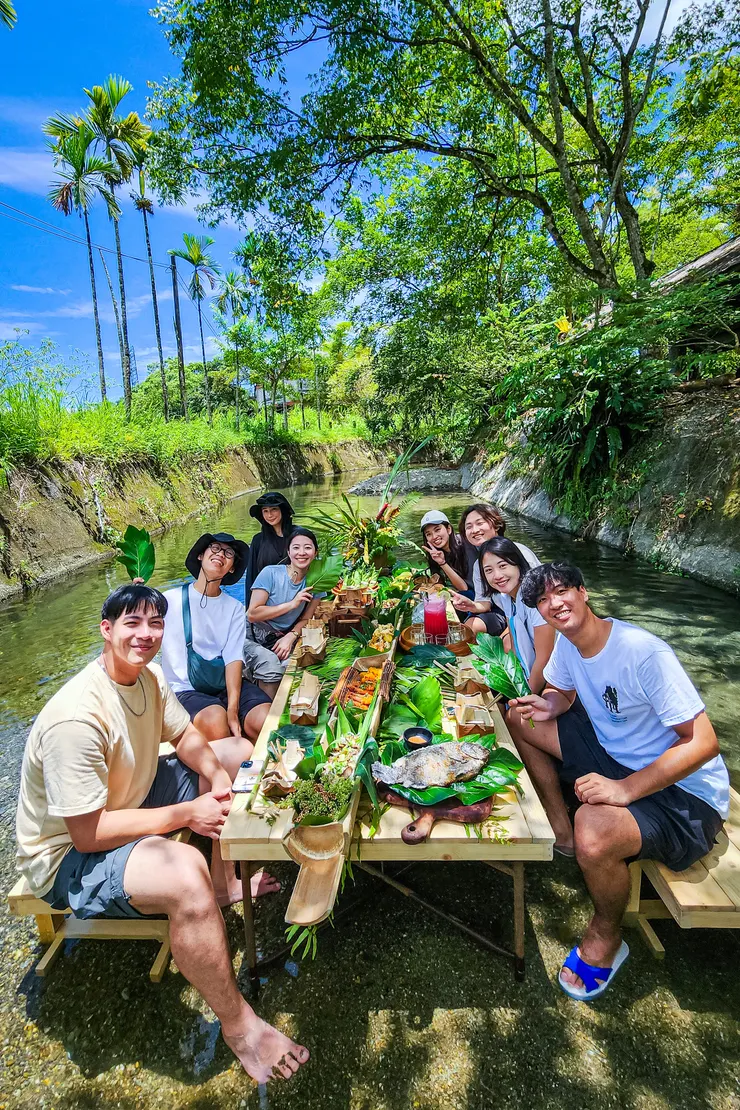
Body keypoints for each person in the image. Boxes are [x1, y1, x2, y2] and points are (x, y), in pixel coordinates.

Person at [15, 583, 309, 1082]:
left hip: (131, 796)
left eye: (155, 623)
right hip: (67, 853)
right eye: (132, 623)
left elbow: (187, 735)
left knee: (236, 754)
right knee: (183, 871)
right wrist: (185, 814)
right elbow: (87, 833)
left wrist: (216, 777)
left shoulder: (147, 677)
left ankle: (224, 887)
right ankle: (241, 1029)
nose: (145, 634)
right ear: (106, 631)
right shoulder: (76, 718)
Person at [507, 562, 729, 1002]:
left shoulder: (642, 652)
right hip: (616, 756)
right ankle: (560, 829)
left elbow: (704, 742)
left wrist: (625, 790)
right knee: (520, 717)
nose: (554, 605)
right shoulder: (569, 644)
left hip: (683, 792)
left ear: (584, 592)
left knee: (596, 828)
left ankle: (607, 934)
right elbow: (563, 691)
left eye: (562, 592)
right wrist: (551, 704)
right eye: (543, 601)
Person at [161, 532, 272, 748]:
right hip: (184, 689)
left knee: (265, 720)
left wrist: (233, 709)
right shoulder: (167, 600)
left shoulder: (234, 608)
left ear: (231, 568)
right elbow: (136, 631)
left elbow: (233, 658)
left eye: (228, 553)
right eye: (215, 548)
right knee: (215, 721)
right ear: (201, 555)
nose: (220, 554)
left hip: (223, 684)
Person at [245, 528, 323, 697]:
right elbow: (253, 614)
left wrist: (291, 636)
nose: (301, 553)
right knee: (272, 667)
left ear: (315, 552)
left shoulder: (317, 582)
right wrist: (292, 604)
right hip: (251, 634)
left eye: (307, 548)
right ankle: (266, 716)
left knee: (297, 665)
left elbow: (306, 618)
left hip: (282, 635)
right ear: (288, 551)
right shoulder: (270, 573)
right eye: (296, 548)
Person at [478, 537, 555, 694]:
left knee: (515, 717)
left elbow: (544, 658)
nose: (497, 575)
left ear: (518, 564)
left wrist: (525, 695)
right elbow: (514, 647)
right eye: (489, 570)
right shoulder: (507, 598)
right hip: (530, 673)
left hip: (556, 681)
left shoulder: (537, 600)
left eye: (503, 566)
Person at [451, 503, 540, 636]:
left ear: (496, 525)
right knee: (468, 630)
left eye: (480, 523)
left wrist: (508, 634)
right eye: (469, 526)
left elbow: (541, 594)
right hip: (506, 613)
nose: (474, 530)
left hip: (534, 613)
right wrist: (472, 605)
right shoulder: (479, 565)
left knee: (508, 645)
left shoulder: (520, 553)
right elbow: (485, 601)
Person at [244, 492, 295, 605]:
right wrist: (249, 612)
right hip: (266, 603)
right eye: (265, 511)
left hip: (296, 599)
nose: (270, 515)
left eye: (274, 509)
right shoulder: (258, 540)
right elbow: (251, 577)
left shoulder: (298, 535)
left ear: (282, 510)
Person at [420, 509, 472, 595]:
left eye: (437, 530)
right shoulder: (435, 554)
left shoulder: (466, 544)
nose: (434, 537)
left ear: (448, 529)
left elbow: (464, 588)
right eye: (428, 534)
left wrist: (443, 563)